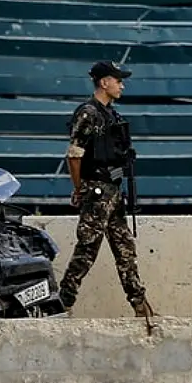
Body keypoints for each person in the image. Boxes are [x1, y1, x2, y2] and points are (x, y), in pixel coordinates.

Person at [57, 60, 156, 318]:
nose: (121, 85)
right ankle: (62, 302)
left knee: (125, 249)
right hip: (97, 190)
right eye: (117, 80)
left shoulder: (110, 114)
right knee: (87, 250)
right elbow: (75, 155)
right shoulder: (88, 113)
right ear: (104, 82)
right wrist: (80, 189)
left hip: (112, 190)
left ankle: (140, 306)